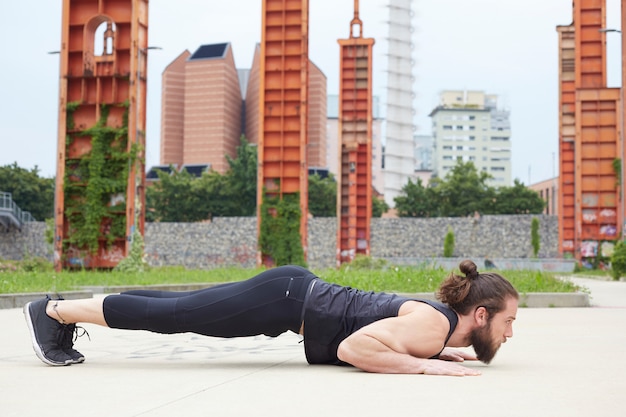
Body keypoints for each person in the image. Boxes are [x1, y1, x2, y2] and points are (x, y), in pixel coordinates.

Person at [23, 259, 518, 376]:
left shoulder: (435, 329)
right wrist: (427, 365)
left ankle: (65, 309)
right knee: (173, 314)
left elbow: (378, 335)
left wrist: (436, 352)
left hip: (287, 293)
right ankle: (52, 311)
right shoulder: (432, 325)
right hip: (283, 298)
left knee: (174, 310)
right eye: (507, 321)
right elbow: (354, 348)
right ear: (480, 313)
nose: (510, 332)